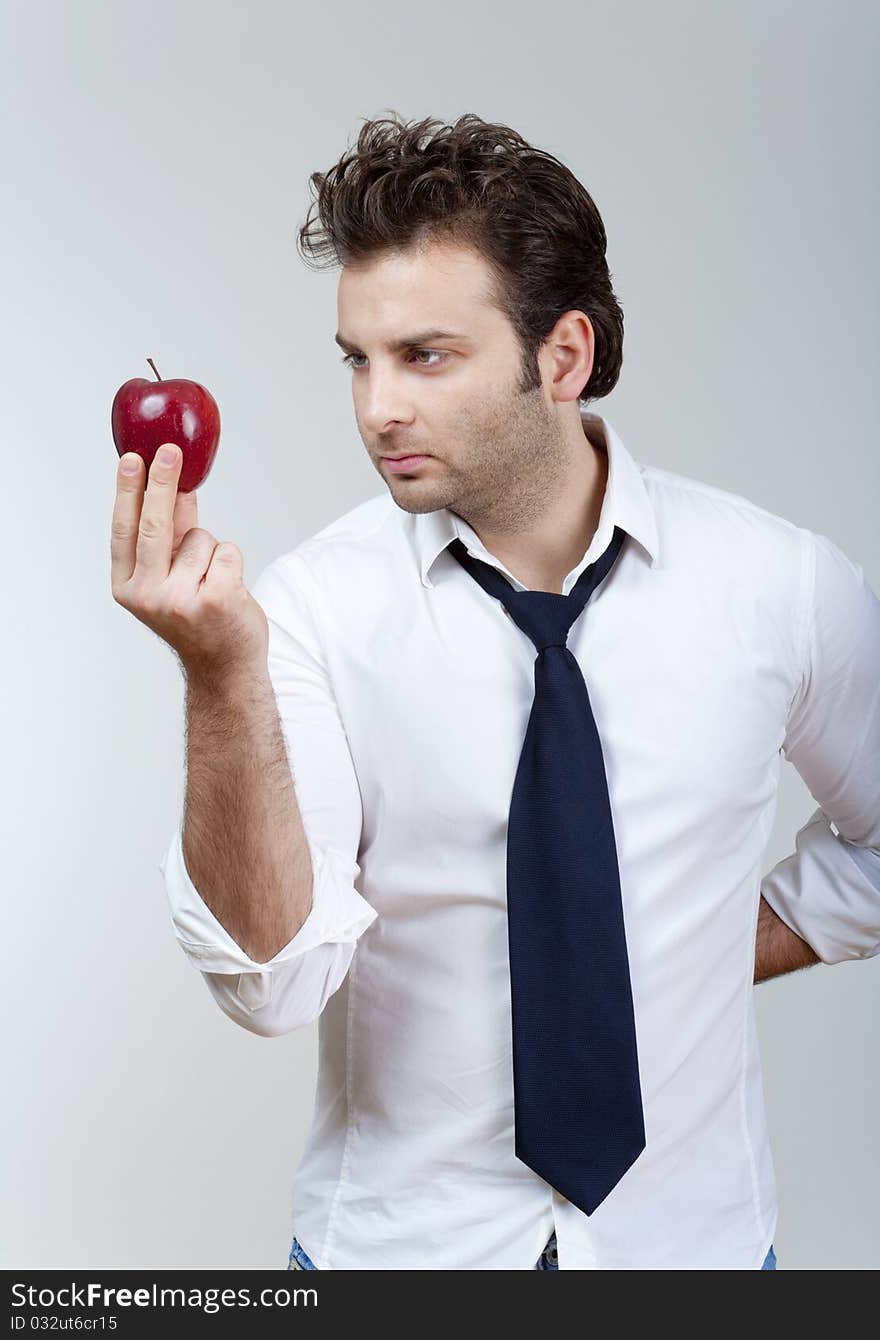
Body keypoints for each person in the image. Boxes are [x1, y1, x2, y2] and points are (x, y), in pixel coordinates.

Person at [111, 112, 880, 1270]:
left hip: (696, 1252)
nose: (376, 408)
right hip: (399, 1258)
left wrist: (714, 942)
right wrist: (218, 673)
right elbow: (270, 983)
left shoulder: (781, 586)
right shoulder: (311, 610)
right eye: (357, 360)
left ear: (560, 357)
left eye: (425, 356)